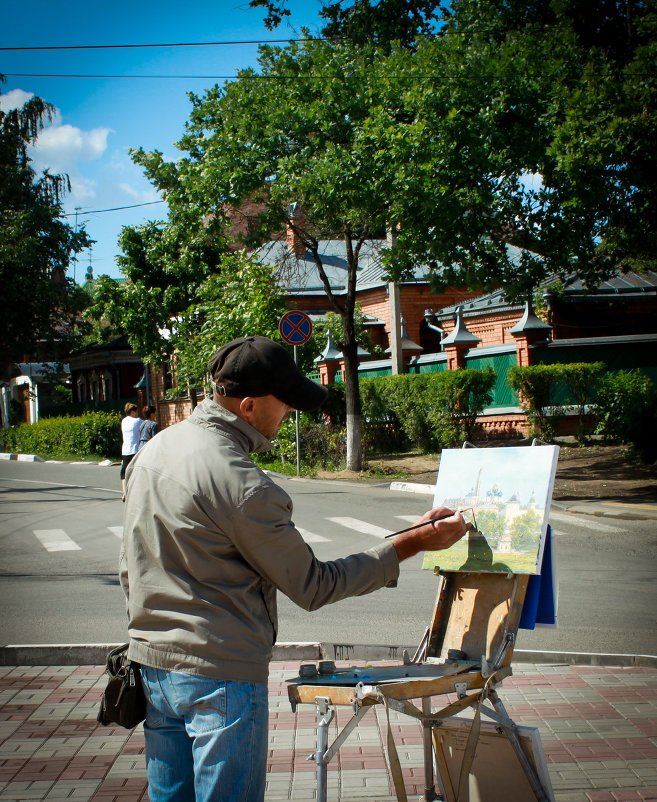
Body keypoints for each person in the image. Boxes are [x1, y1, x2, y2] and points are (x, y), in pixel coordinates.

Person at [120, 335, 471, 802]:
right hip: (217, 676)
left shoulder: (155, 449)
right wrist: (413, 543)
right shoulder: (243, 483)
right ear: (248, 406)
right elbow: (313, 585)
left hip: (152, 667)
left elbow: (131, 563)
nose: (289, 414)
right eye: (285, 403)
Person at [120, 402, 141, 502]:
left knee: (124, 472)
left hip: (125, 450)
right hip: (135, 449)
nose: (137, 413)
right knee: (135, 472)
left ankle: (124, 493)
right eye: (136, 411)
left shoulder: (123, 421)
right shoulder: (137, 421)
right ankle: (135, 492)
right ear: (133, 411)